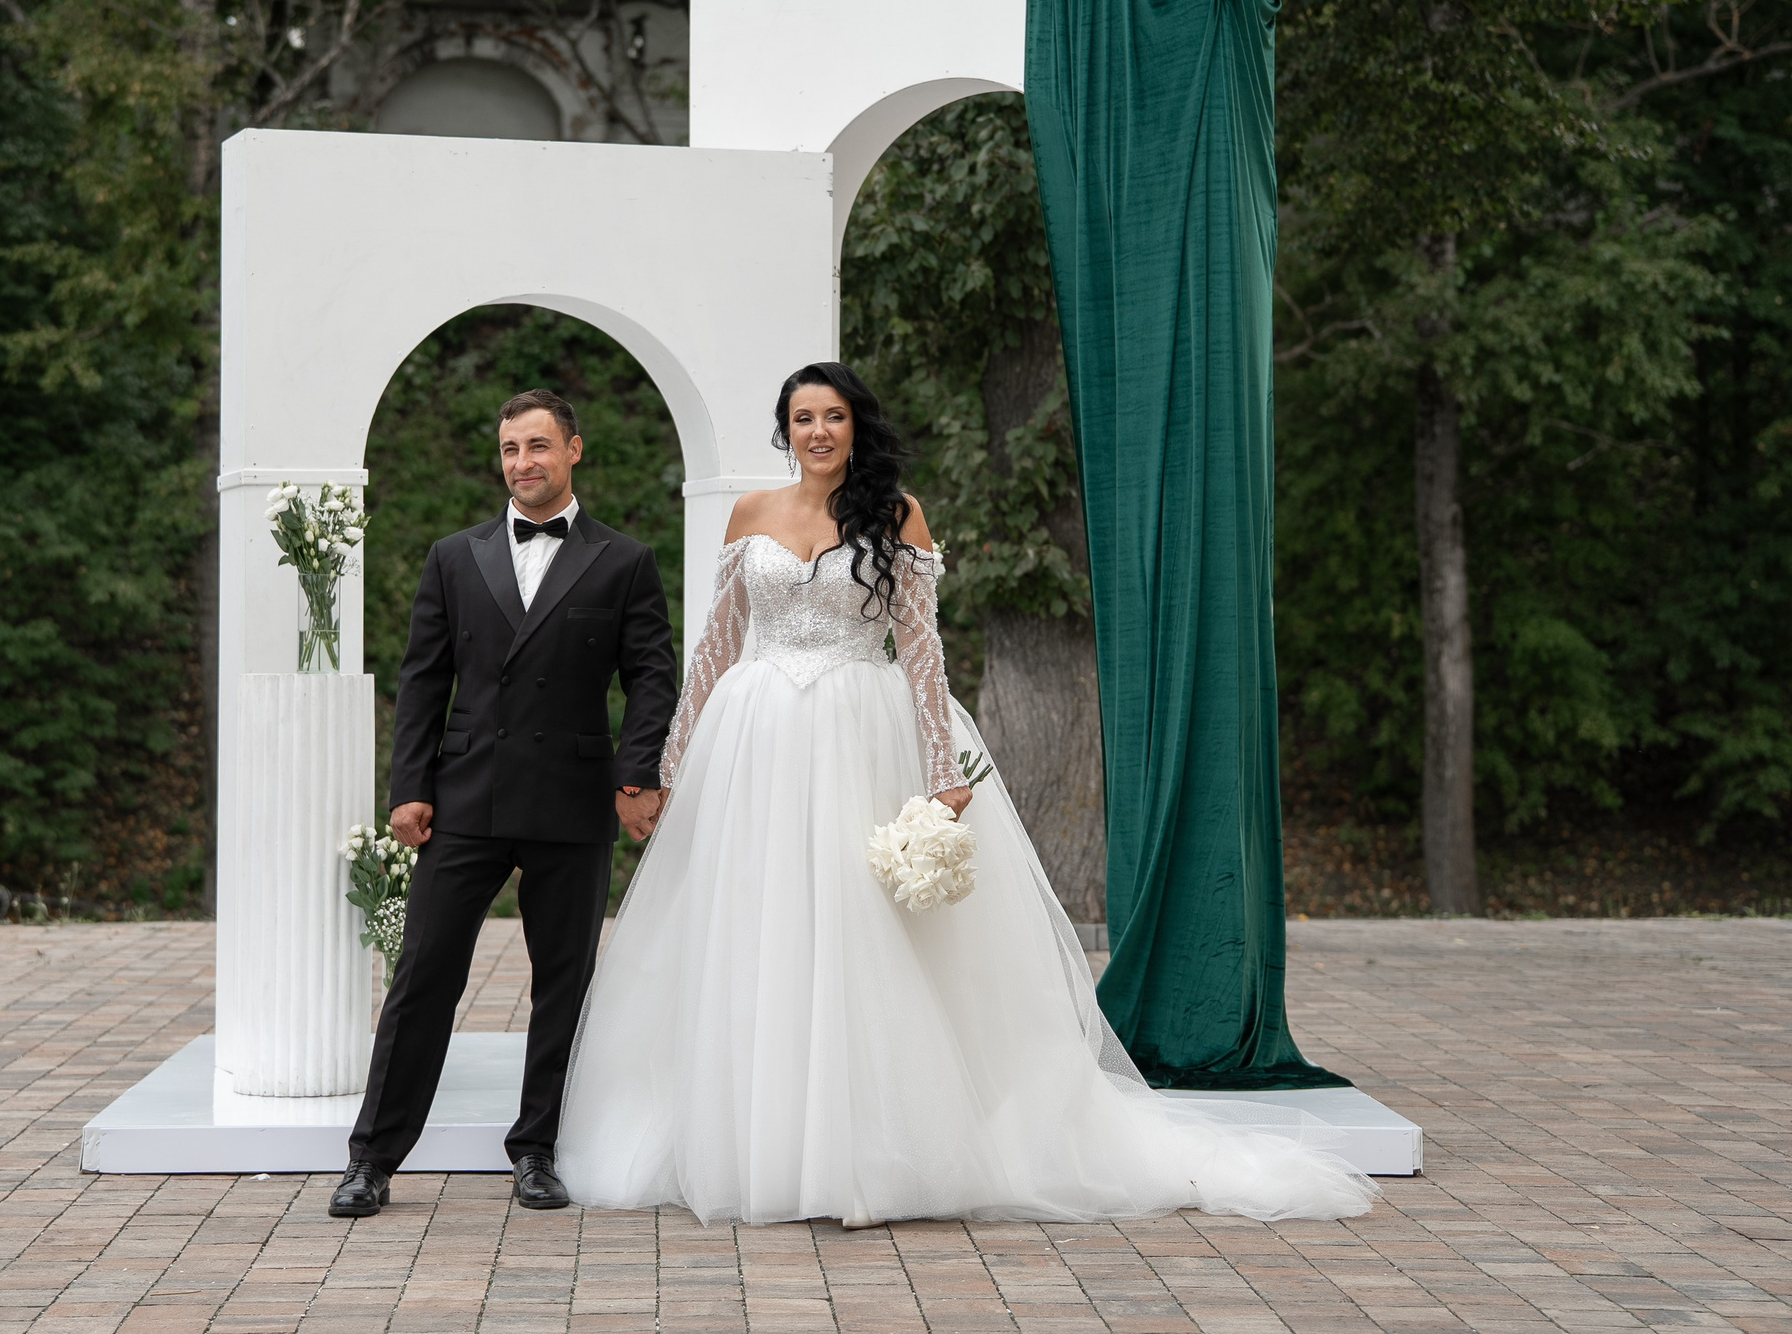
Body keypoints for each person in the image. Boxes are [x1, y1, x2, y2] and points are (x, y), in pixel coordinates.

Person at [556, 363, 1375, 1226]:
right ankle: (760, 1138)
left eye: (833, 416)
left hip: (858, 736)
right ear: (784, 430)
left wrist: (943, 768)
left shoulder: (895, 514)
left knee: (856, 927)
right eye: (802, 418)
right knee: (762, 924)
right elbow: (715, 646)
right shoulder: (751, 514)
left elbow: (921, 650)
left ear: (855, 426)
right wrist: (670, 763)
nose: (818, 431)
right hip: (755, 741)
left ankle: (860, 1150)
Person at [330, 389, 677, 1219]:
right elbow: (424, 679)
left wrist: (637, 773)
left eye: (539, 445)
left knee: (564, 984)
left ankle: (538, 1150)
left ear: (574, 450)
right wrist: (409, 787)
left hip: (571, 798)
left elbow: (652, 677)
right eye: (511, 448)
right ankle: (371, 1158)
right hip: (465, 796)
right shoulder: (454, 556)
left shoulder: (625, 560)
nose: (524, 461)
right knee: (422, 976)